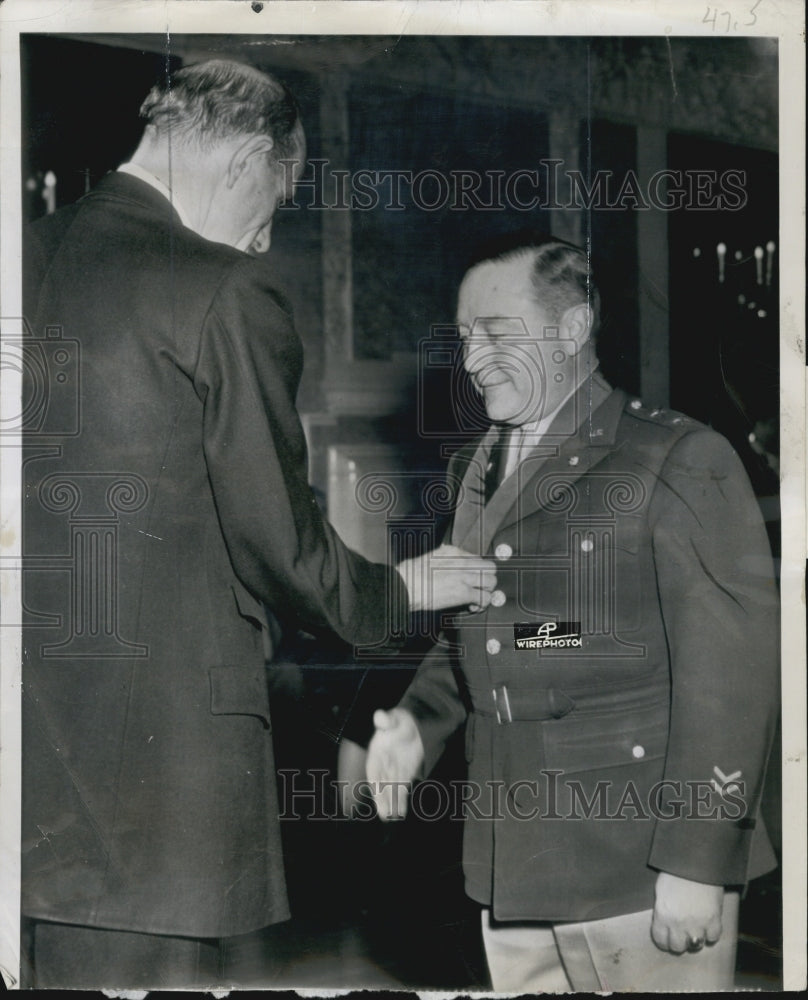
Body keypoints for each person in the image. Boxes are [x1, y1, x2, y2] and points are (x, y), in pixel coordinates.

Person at [21, 59, 495, 989]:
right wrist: (397, 589)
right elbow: (279, 541)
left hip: (29, 758)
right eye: (272, 210)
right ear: (245, 162)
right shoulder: (223, 293)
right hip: (151, 781)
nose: (261, 241)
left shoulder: (23, 253)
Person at [366, 236, 779, 992]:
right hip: (514, 868)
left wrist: (696, 860)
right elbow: (497, 627)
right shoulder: (477, 468)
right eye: (463, 337)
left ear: (571, 328)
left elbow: (731, 676)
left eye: (495, 332)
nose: (472, 357)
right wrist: (416, 726)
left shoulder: (677, 458)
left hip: (637, 868)